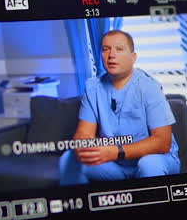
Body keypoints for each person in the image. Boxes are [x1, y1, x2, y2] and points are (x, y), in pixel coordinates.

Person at [59, 29, 180, 183]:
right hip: (115, 165)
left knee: (148, 164)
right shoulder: (93, 88)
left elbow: (163, 142)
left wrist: (116, 152)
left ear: (133, 57)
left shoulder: (149, 87)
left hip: (156, 160)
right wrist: (83, 146)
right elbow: (84, 133)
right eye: (105, 49)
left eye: (119, 49)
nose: (111, 55)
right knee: (68, 160)